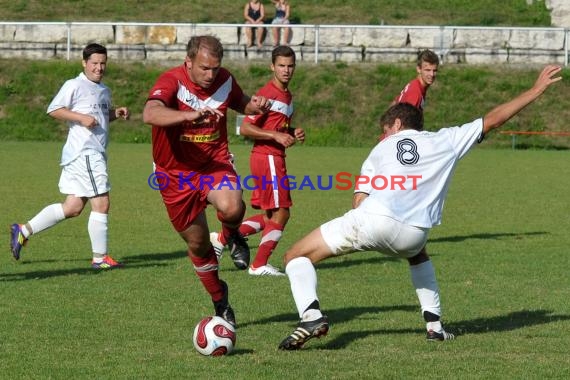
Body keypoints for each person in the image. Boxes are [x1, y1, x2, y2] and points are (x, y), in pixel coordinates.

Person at [277, 65, 562, 350]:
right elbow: (492, 120)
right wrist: (536, 90)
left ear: (397, 125)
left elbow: (358, 200)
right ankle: (435, 327)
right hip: (413, 234)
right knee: (417, 254)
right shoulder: (445, 140)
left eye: (385, 130)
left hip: (371, 222)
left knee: (295, 256)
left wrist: (364, 234)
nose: (383, 136)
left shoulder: (379, 149)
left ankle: (311, 315)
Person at [142, 35, 272, 327]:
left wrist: (256, 105)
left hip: (213, 163)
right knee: (199, 244)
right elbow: (150, 113)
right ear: (188, 62)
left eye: (215, 68)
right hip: (175, 174)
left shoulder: (224, 79)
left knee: (233, 207)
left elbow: (241, 103)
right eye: (204, 68)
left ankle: (233, 234)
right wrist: (189, 115)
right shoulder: (171, 81)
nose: (210, 74)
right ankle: (219, 298)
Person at [9, 43, 130, 269]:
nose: (99, 68)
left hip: (92, 154)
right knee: (102, 203)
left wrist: (114, 113)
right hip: (85, 152)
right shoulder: (74, 85)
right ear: (84, 63)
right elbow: (54, 109)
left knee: (72, 207)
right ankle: (100, 258)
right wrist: (80, 118)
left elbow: (99, 116)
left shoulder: (104, 89)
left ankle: (22, 231)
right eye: (94, 63)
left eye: (103, 63)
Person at [211, 46, 304, 277]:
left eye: (290, 65)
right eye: (281, 65)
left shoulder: (286, 95)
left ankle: (222, 238)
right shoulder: (269, 93)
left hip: (273, 158)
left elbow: (274, 125)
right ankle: (259, 264)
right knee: (282, 214)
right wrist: (276, 136)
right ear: (272, 66)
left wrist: (291, 131)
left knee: (270, 217)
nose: (286, 70)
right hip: (267, 158)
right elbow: (244, 126)